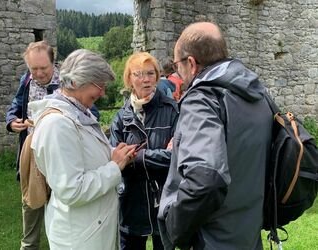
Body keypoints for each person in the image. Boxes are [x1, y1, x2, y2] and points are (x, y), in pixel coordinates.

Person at [158, 22, 273, 250]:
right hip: (248, 235)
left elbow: (206, 181)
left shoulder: (201, 100)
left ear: (190, 63)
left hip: (212, 239)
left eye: (176, 65)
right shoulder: (258, 95)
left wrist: (173, 231)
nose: (176, 73)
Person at [29, 49, 136, 249]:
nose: (103, 92)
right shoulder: (57, 125)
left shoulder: (77, 112)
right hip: (79, 237)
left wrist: (111, 154)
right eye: (99, 85)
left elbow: (83, 157)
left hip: (89, 228)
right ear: (76, 82)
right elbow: (72, 190)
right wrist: (114, 166)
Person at [109, 52, 179, 250]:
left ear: (157, 76)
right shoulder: (121, 118)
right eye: (138, 74)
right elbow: (115, 159)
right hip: (131, 200)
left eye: (150, 73)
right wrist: (157, 156)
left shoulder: (172, 110)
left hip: (164, 199)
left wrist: (137, 157)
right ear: (129, 79)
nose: (146, 79)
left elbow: (176, 157)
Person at [5, 40, 60, 250]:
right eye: (33, 68)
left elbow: (88, 111)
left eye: (43, 68)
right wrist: (12, 121)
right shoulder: (26, 80)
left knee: (61, 202)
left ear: (53, 63)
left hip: (59, 153)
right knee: (30, 201)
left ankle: (61, 243)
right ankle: (29, 246)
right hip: (32, 151)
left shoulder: (67, 81)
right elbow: (17, 104)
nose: (38, 73)